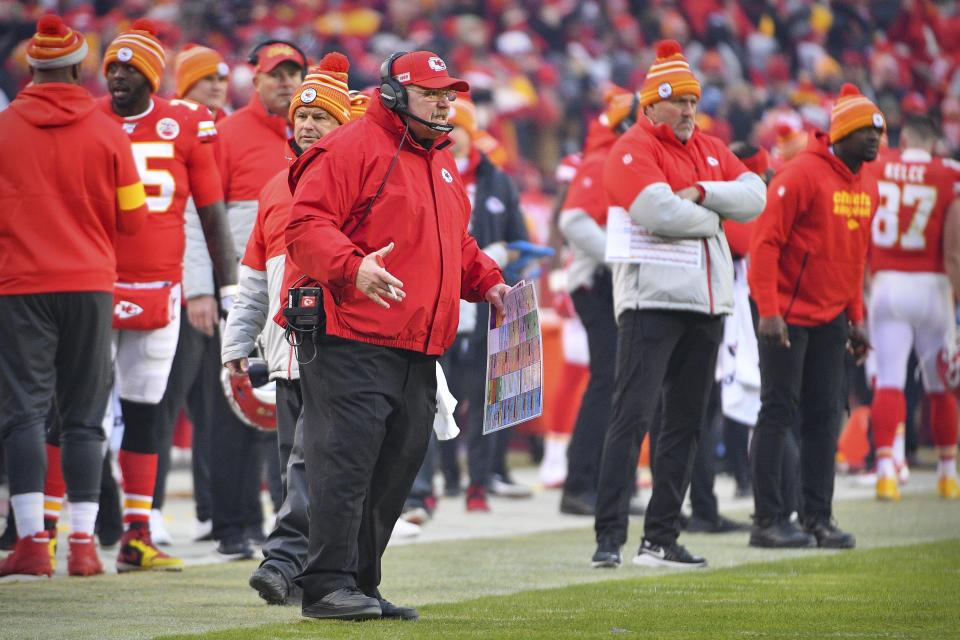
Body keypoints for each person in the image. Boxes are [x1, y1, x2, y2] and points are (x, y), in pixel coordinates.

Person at [285, 50, 508, 620]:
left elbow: (453, 244)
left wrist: (489, 283)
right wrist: (352, 266)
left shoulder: (440, 161)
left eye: (448, 93)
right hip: (353, 333)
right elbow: (305, 225)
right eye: (432, 92)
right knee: (346, 464)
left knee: (395, 469)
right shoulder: (350, 146)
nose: (445, 102)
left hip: (416, 341)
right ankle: (325, 586)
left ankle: (360, 581)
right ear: (391, 94)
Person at [39, 19, 237, 573]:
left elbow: (212, 212)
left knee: (145, 410)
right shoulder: (83, 116)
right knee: (74, 410)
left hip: (158, 286)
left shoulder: (189, 122)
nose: (120, 76)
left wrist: (231, 289)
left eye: (131, 68)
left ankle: (136, 534)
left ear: (153, 75)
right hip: (89, 284)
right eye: (113, 67)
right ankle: (48, 530)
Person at [591, 40, 766, 570]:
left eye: (693, 102)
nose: (689, 112)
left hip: (707, 303)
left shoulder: (711, 147)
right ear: (650, 105)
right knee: (631, 417)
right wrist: (716, 214)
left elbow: (755, 195)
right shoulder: (631, 147)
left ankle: (660, 538)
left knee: (687, 426)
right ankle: (608, 538)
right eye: (677, 102)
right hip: (651, 302)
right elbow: (654, 210)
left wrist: (702, 194)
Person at [0, 14, 147, 577]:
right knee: (85, 416)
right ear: (80, 67)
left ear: (31, 68)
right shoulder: (108, 131)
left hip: (19, 287)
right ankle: (83, 546)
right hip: (89, 284)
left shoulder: (6, 128)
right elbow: (133, 222)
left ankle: (33, 543)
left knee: (24, 415)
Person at [222, 54, 353, 605]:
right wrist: (236, 345)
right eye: (301, 116)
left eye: (321, 117)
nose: (306, 124)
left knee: (316, 464)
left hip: (342, 347)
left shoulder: (360, 181)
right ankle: (308, 574)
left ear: (343, 126)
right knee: (294, 466)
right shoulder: (275, 187)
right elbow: (254, 278)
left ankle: (286, 562)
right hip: (284, 351)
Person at [748, 83, 882, 549]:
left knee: (826, 415)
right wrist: (768, 310)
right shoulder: (800, 173)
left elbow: (856, 255)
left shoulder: (868, 181)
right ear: (842, 131)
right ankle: (767, 519)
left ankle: (817, 518)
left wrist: (857, 316)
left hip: (830, 317)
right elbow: (765, 244)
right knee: (778, 410)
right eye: (866, 130)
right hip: (784, 312)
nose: (876, 139)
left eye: (879, 131)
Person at [404, 94, 530, 517]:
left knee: (483, 399)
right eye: (448, 125)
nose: (452, 133)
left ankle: (478, 482)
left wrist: (503, 259)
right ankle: (434, 484)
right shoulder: (422, 167)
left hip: (483, 307)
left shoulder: (497, 179)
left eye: (460, 126)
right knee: (434, 397)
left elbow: (518, 239)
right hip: (439, 302)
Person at [207, 39, 307, 557]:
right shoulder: (228, 135)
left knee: (286, 420)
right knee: (237, 412)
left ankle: (281, 529)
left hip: (295, 300)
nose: (285, 83)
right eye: (275, 74)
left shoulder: (310, 137)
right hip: (241, 289)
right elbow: (203, 217)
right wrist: (208, 289)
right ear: (256, 78)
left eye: (293, 74)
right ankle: (234, 525)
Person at [149, 43, 233, 545]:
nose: (217, 86)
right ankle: (150, 507)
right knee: (164, 399)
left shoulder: (227, 128)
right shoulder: (180, 127)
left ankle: (211, 508)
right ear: (185, 85)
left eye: (221, 79)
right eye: (206, 80)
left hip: (218, 291)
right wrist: (200, 286)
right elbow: (191, 217)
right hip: (182, 287)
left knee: (215, 405)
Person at [865, 114, 960, 501]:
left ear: (902, 140)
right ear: (934, 144)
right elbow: (953, 250)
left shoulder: (879, 165)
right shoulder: (948, 172)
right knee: (939, 386)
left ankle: (887, 469)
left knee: (889, 380)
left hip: (887, 283)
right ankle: (947, 472)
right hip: (933, 285)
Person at [557, 87, 636, 516]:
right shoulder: (602, 159)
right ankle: (580, 483)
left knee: (621, 383)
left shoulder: (618, 157)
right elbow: (572, 220)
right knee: (607, 381)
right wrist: (618, 255)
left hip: (612, 282)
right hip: (597, 283)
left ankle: (611, 485)